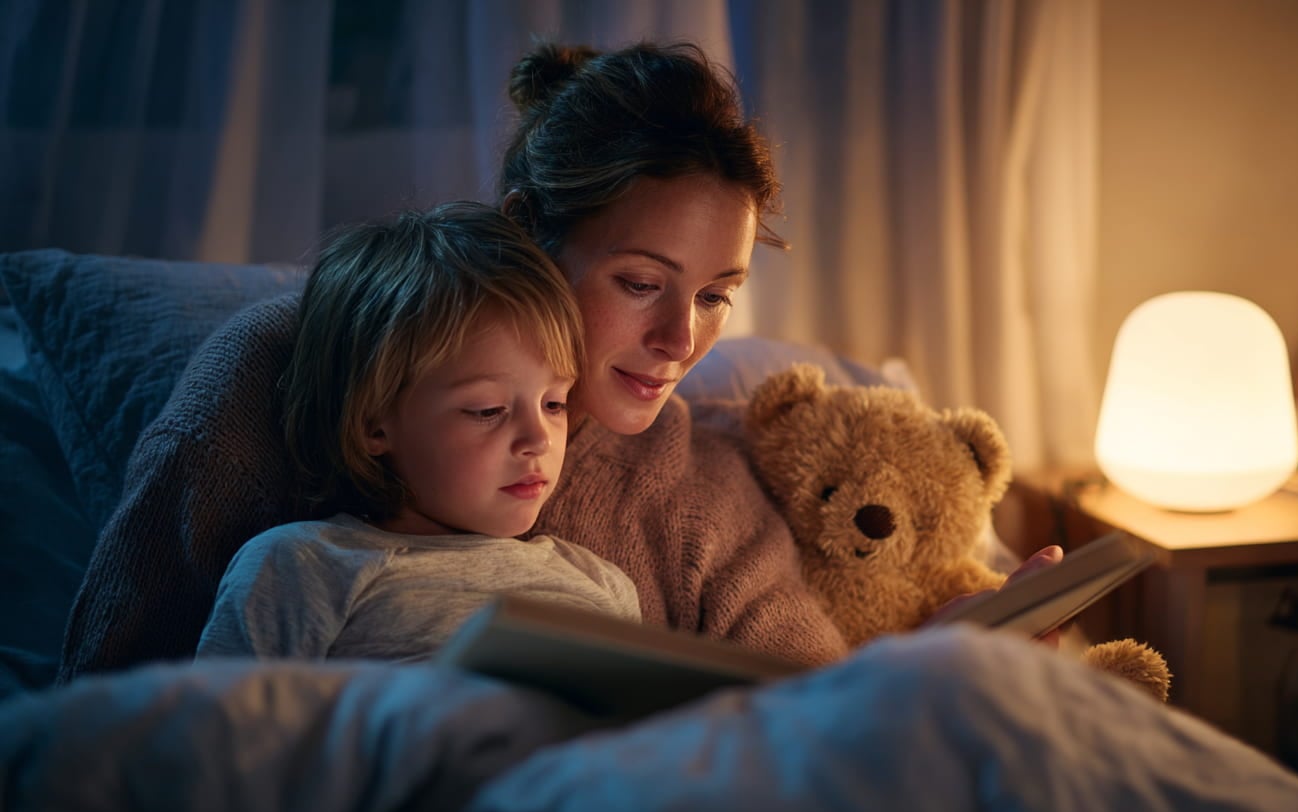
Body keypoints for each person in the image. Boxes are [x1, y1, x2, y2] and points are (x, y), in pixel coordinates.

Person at [58, 40, 1056, 682]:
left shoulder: (691, 480)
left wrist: (931, 665)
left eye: (714, 297)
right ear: (530, 232)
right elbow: (111, 705)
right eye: (638, 283)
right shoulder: (284, 367)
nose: (680, 344)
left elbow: (804, 712)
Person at [195, 202, 639, 661]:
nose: (539, 439)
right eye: (488, 410)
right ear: (372, 423)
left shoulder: (600, 583)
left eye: (554, 404)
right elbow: (230, 724)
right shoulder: (304, 567)